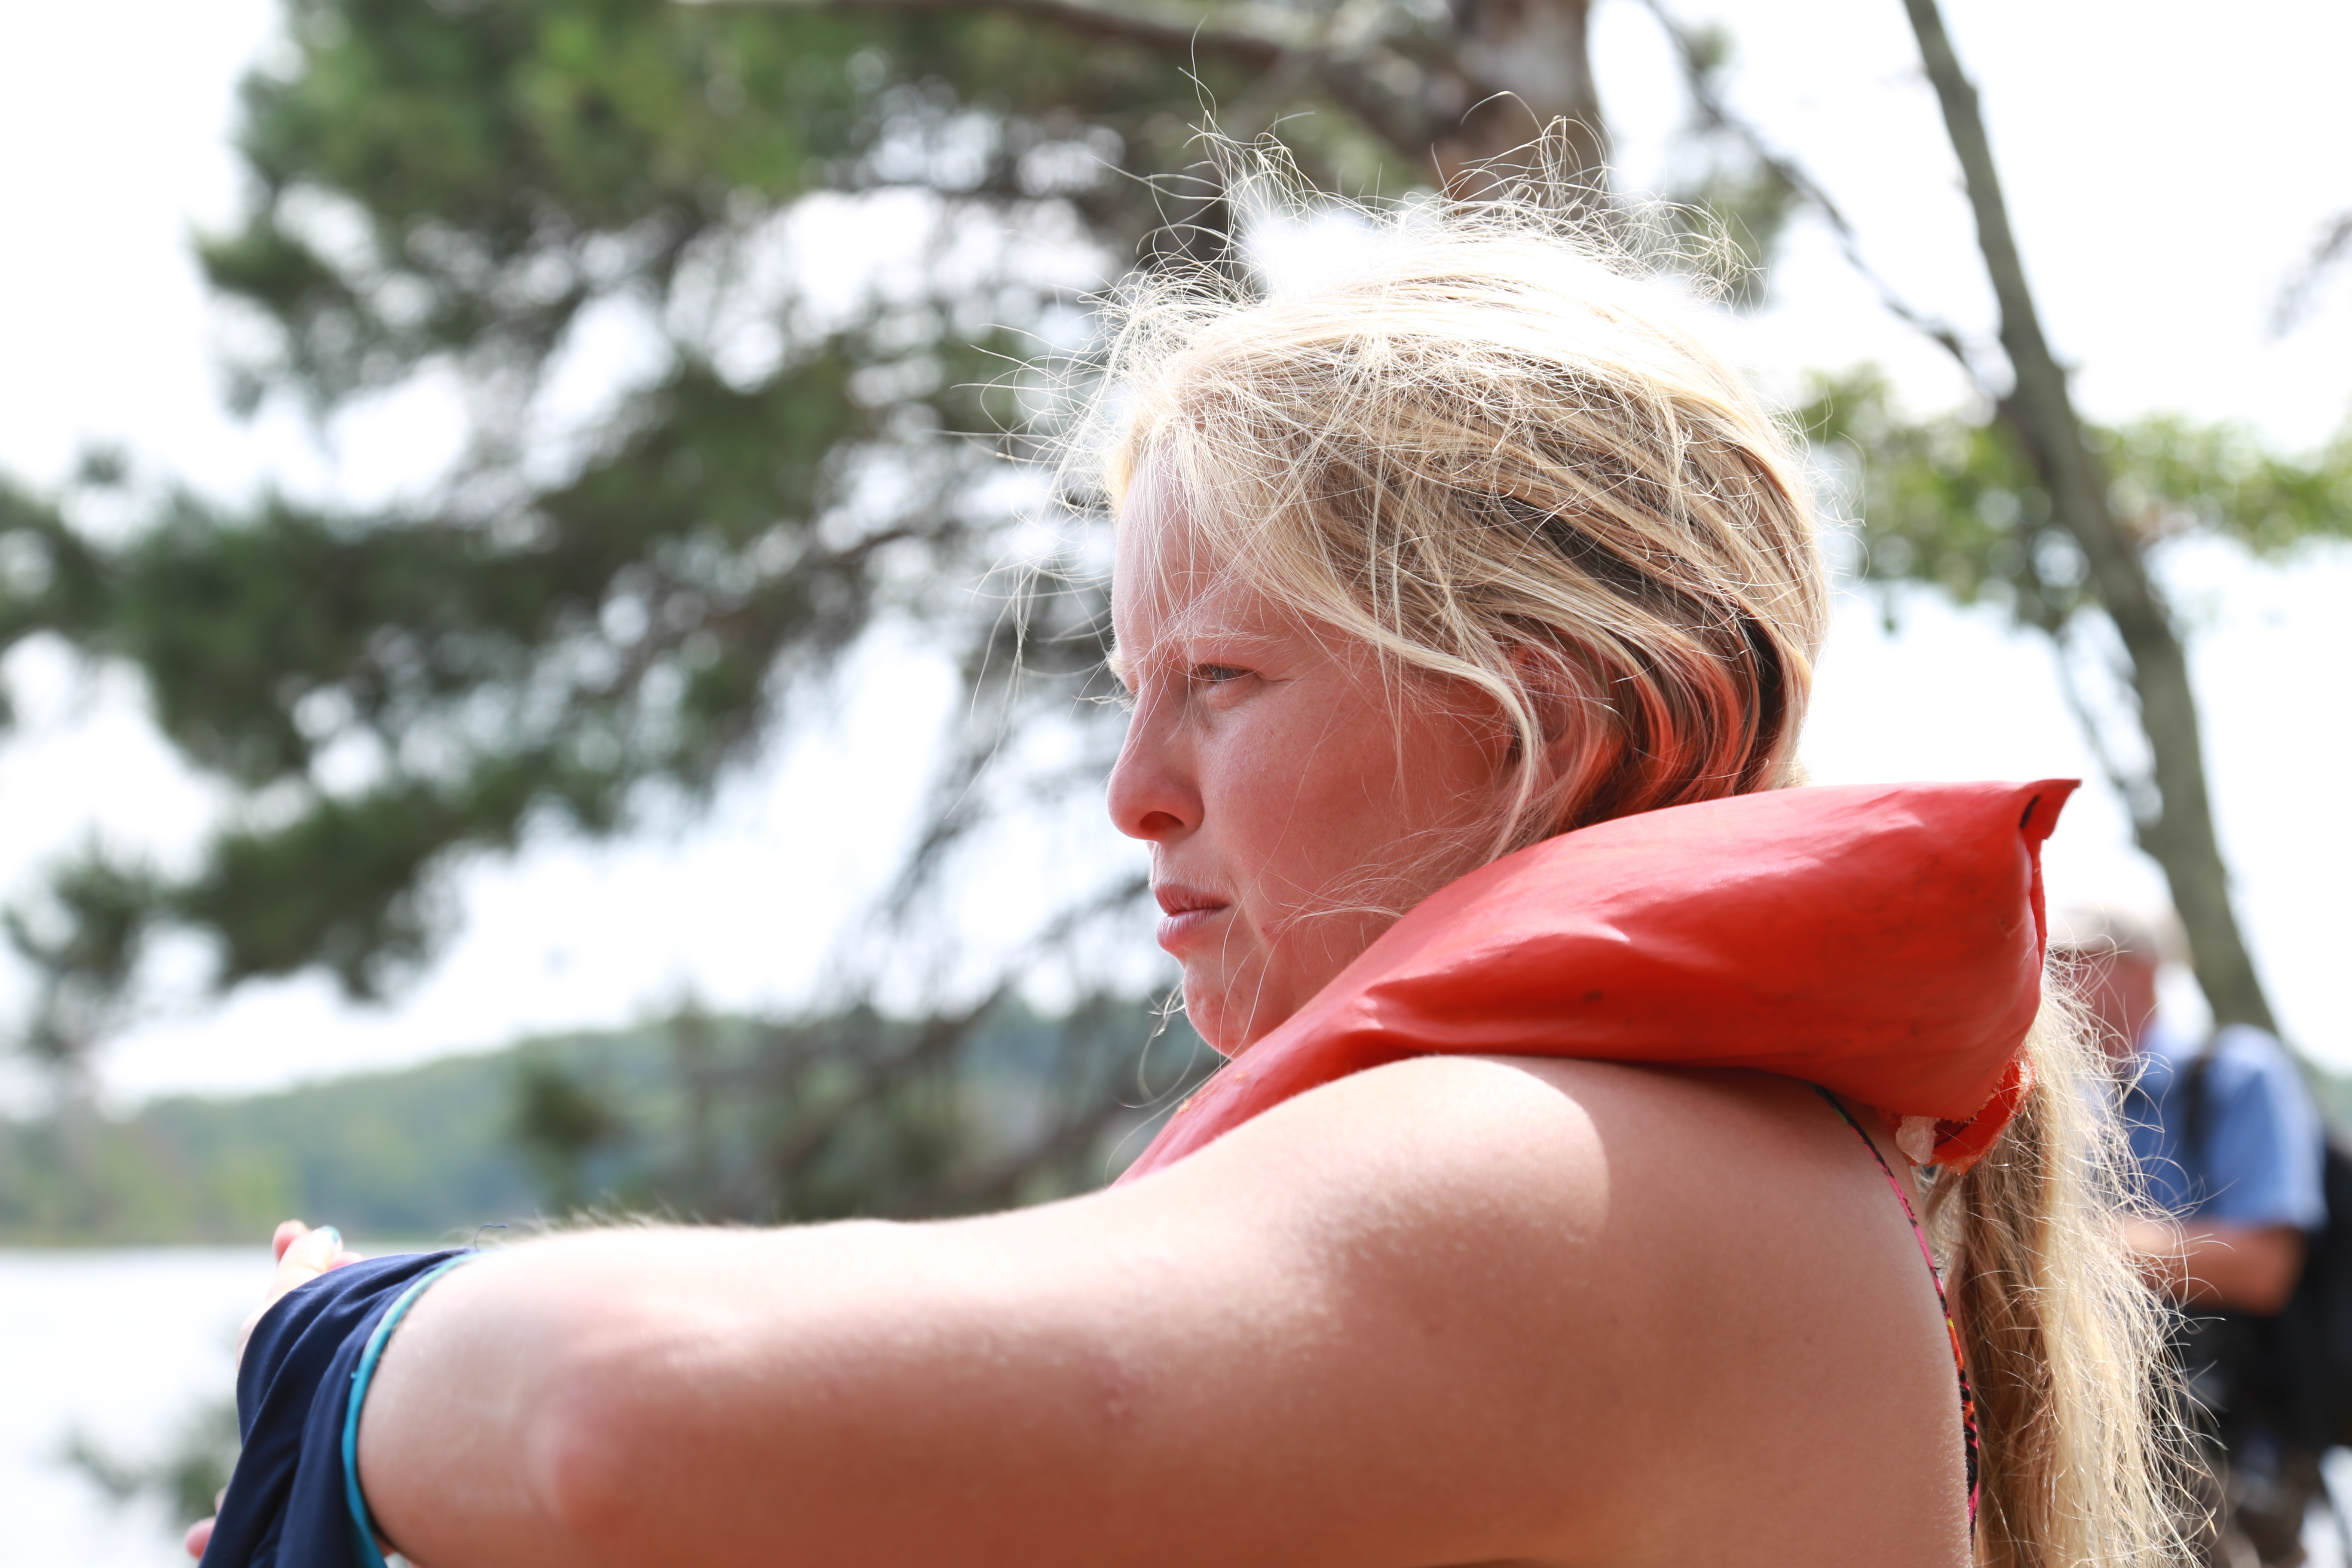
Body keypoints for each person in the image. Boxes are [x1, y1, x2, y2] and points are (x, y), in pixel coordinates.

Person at [192, 179, 2188, 1568]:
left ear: (1560, 714)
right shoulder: (1706, 1171)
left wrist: (340, 1348)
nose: (1134, 793)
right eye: (1129, 692)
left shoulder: (1565, 1169)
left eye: (1220, 682)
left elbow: (612, 1413)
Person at [2058, 906, 2329, 1565]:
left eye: (2075, 960)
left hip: (2231, 1447)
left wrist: (2070, 1247)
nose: (2052, 980)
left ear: (2142, 969)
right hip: (2108, 1452)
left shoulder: (2238, 1074)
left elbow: (2265, 1267)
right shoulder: (2073, 1102)